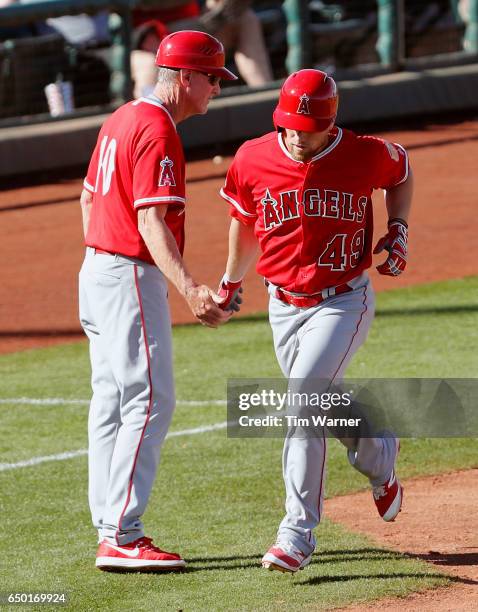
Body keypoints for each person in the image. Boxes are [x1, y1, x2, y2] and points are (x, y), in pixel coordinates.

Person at [217, 69, 413, 573]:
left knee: (303, 398)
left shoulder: (364, 153)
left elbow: (403, 170)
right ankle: (378, 455)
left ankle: (297, 533)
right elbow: (244, 224)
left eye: (307, 128)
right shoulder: (253, 157)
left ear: (331, 124)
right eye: (289, 125)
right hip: (281, 305)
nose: (296, 136)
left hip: (344, 301)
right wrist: (229, 282)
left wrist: (398, 230)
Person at [79, 30, 237, 572]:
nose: (217, 87)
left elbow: (88, 197)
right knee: (149, 400)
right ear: (186, 77)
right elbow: (150, 219)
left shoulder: (123, 117)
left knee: (111, 401)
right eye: (213, 78)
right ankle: (122, 534)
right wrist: (191, 289)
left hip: (98, 270)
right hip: (126, 274)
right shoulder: (156, 128)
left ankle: (109, 523)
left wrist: (98, 258)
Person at [131, 0, 273, 98]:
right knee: (149, 68)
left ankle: (265, 94)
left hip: (195, 27)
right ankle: (151, 127)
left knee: (247, 19)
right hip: (143, 41)